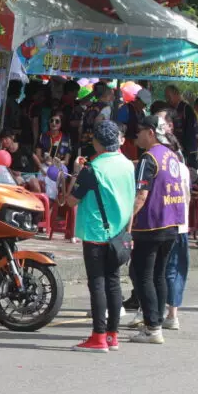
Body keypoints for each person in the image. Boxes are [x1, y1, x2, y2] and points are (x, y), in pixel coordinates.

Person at [65, 121, 136, 353]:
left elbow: (71, 201)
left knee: (97, 283)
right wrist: (128, 232)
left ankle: (98, 336)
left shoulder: (92, 169)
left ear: (96, 142)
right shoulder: (127, 165)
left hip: (96, 231)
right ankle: (113, 335)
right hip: (119, 233)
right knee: (114, 282)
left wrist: (76, 172)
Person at [129, 114, 185, 344]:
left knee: (143, 275)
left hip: (150, 224)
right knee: (158, 274)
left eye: (140, 131)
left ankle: (152, 327)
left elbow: (141, 194)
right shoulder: (171, 155)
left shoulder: (148, 158)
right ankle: (157, 322)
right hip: (171, 223)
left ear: (150, 132)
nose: (137, 136)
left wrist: (127, 221)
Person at [163, 132, 191, 331]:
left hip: (164, 225)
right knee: (175, 270)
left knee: (166, 270)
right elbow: (187, 197)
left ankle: (168, 313)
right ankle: (172, 312)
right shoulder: (182, 169)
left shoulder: (160, 167)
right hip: (180, 224)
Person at [166, 84, 198, 168]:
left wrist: (187, 149)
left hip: (186, 149)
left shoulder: (186, 109)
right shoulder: (169, 109)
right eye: (166, 97)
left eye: (168, 96)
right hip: (174, 147)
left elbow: (192, 130)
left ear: (176, 94)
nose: (167, 99)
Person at [79, 83, 113, 159]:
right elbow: (98, 122)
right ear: (106, 95)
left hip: (84, 140)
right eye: (111, 94)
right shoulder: (106, 108)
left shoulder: (90, 106)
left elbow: (81, 126)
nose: (112, 97)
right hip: (96, 142)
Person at [121, 88, 151, 160]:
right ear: (137, 99)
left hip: (138, 145)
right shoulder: (125, 109)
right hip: (126, 145)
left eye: (145, 104)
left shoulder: (142, 113)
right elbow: (119, 126)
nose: (144, 105)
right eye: (143, 103)